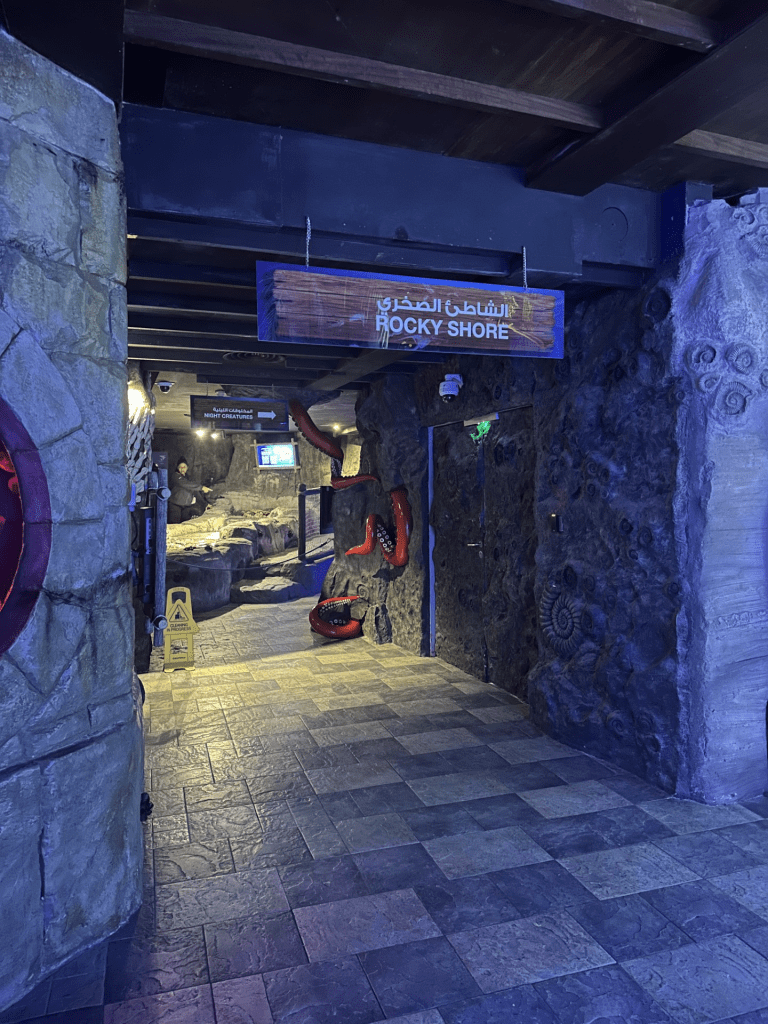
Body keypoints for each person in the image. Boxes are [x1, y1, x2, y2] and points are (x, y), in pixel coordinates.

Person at [168, 459, 211, 523]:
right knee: (174, 525)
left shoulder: (189, 478)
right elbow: (185, 484)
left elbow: (195, 492)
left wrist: (205, 504)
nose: (182, 469)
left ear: (187, 467)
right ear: (177, 468)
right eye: (180, 467)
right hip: (175, 506)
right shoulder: (175, 476)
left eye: (184, 467)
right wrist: (201, 487)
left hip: (186, 507)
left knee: (185, 525)